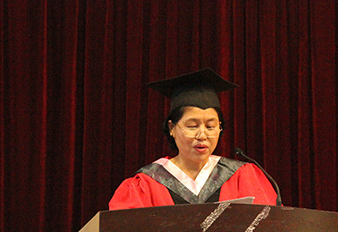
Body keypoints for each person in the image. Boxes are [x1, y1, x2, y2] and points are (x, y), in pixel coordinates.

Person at [109, 68, 278, 210]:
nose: (202, 135)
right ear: (172, 128)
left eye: (210, 126)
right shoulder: (146, 184)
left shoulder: (243, 177)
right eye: (192, 126)